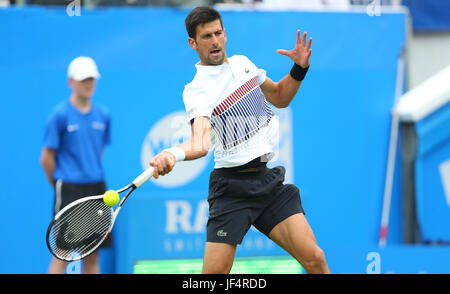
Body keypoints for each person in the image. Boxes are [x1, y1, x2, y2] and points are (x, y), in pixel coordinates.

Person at [150, 6, 330, 274]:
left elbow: (280, 96)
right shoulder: (196, 90)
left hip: (267, 182)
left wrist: (299, 68)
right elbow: (200, 143)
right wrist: (172, 154)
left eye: (218, 33)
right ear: (193, 43)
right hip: (231, 190)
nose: (214, 41)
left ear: (225, 34)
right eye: (206, 36)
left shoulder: (243, 65)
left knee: (315, 258)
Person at [40, 56, 112, 274]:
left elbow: (98, 152)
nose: (88, 84)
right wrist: (61, 184)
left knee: (92, 254)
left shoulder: (104, 115)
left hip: (97, 190)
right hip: (69, 189)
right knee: (62, 254)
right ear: (71, 82)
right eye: (83, 80)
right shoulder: (59, 115)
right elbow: (46, 159)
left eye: (91, 79)